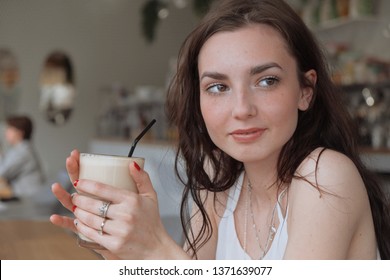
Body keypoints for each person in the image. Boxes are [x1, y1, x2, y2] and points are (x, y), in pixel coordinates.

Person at [50, 0, 390, 259]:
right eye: (217, 87)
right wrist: (130, 256)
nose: (242, 109)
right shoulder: (219, 186)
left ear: (305, 90)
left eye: (267, 81)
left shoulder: (325, 176)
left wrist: (158, 251)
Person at [0, 115, 45, 199]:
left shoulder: (23, 152)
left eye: (9, 129)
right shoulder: (19, 149)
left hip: (28, 199)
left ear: (20, 132)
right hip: (24, 196)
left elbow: (2, 173)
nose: (6, 132)